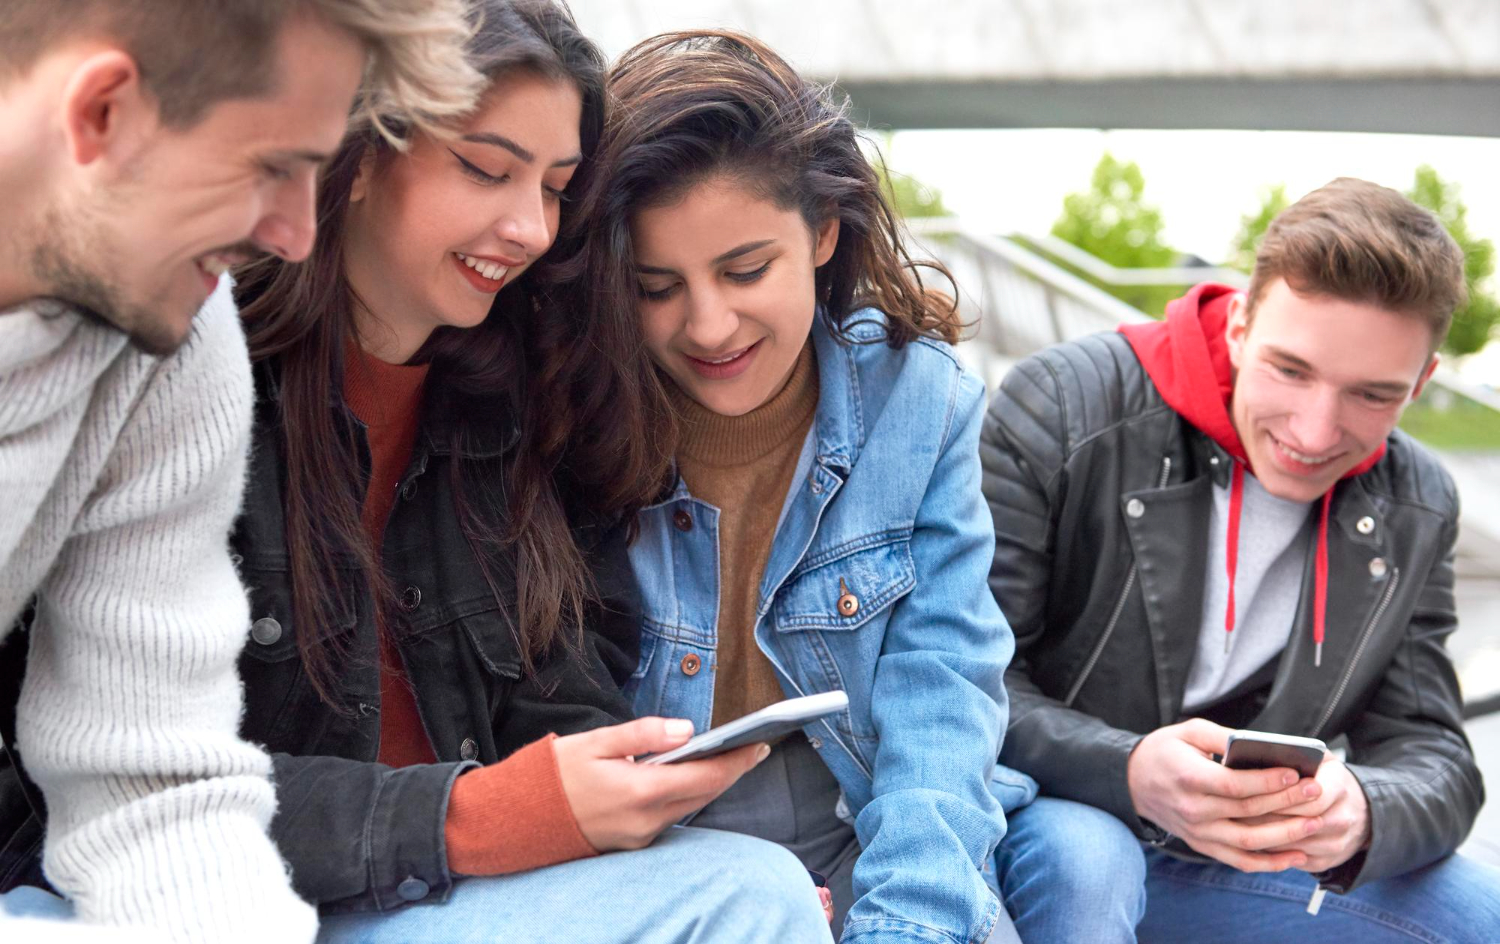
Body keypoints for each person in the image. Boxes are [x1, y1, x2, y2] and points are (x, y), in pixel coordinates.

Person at [218, 4, 826, 941]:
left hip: (450, 896)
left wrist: (630, 798)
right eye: (486, 168)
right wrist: (482, 816)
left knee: (756, 880)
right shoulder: (204, 390)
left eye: (555, 188)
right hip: (249, 901)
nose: (530, 227)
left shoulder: (503, 409)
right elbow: (122, 785)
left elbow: (555, 699)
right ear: (358, 150)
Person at [0, 0, 480, 940]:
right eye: (273, 168)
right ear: (102, 112)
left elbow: (153, 788)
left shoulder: (171, 337)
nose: (297, 236)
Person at [578, 30, 1047, 944]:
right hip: (651, 853)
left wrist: (907, 923)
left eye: (746, 270)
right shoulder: (571, 410)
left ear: (825, 234)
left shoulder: (921, 402)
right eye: (655, 286)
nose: (708, 326)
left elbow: (940, 695)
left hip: (859, 817)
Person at [981, 177, 1500, 943]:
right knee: (1091, 868)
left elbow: (1432, 751)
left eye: (1372, 395)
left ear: (1420, 383)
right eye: (1290, 371)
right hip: (1050, 809)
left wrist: (1365, 808)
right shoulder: (1064, 403)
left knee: (1475, 915)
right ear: (1239, 325)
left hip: (1236, 848)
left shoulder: (1415, 501)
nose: (1317, 431)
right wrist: (1126, 770)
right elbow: (961, 679)